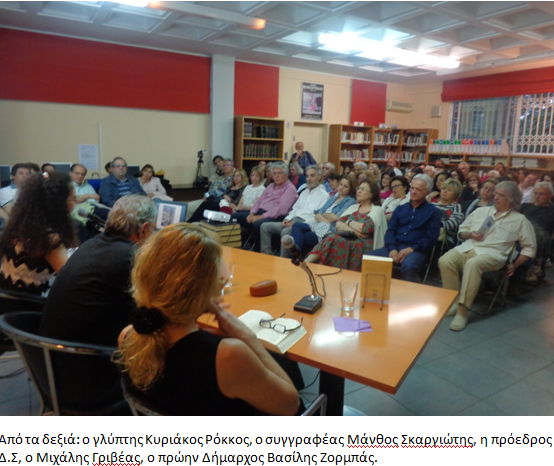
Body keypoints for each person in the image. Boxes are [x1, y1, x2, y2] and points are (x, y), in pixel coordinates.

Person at [115, 224, 300, 416]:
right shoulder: (228, 355)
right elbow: (291, 405)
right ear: (204, 286)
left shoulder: (128, 336)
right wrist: (248, 338)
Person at [39, 195, 157, 409]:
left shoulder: (92, 245)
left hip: (52, 370)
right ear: (144, 229)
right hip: (89, 381)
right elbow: (156, 313)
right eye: (153, 231)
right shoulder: (129, 258)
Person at [439, 181, 536, 332]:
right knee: (445, 260)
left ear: (512, 199)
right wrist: (470, 234)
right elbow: (461, 231)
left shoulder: (520, 220)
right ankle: (453, 301)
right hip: (469, 247)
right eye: (496, 194)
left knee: (473, 264)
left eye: (501, 195)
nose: (496, 197)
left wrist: (515, 264)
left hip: (494, 254)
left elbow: (530, 247)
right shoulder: (481, 212)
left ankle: (462, 312)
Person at [0, 172, 77, 295]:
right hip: (30, 303)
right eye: (73, 199)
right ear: (59, 204)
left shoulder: (17, 227)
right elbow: (71, 279)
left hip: (6, 300)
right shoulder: (49, 239)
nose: (75, 203)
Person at [367, 175, 441, 283]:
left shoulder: (433, 212)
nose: (414, 192)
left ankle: (409, 293)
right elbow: (390, 231)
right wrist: (392, 248)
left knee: (409, 266)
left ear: (427, 192)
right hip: (395, 246)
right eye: (412, 188)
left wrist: (412, 249)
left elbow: (431, 238)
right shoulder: (400, 208)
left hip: (417, 250)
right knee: (368, 258)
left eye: (418, 189)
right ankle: (375, 289)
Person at [305, 178, 386, 272]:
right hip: (350, 238)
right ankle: (309, 266)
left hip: (363, 244)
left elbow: (366, 228)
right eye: (358, 188)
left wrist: (348, 222)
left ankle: (307, 265)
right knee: (333, 239)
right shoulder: (353, 208)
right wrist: (356, 231)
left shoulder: (377, 210)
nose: (359, 191)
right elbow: (338, 224)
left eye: (363, 189)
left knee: (333, 239)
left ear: (372, 194)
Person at [260, 166, 329, 256]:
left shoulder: (324, 195)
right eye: (307, 176)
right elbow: (294, 209)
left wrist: (295, 224)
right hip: (293, 220)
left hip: (305, 224)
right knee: (264, 226)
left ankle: (284, 261)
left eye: (312, 176)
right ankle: (266, 256)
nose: (309, 179)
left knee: (285, 232)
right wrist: (287, 219)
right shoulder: (304, 193)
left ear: (319, 177)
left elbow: (317, 218)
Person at [231, 162, 298, 252]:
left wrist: (261, 216)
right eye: (274, 173)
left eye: (279, 173)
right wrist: (252, 213)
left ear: (286, 175)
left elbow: (281, 210)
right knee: (234, 217)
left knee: (257, 223)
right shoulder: (270, 186)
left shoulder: (290, 189)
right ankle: (240, 246)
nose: (276, 176)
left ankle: (257, 251)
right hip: (260, 212)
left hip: (276, 216)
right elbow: (259, 201)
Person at [290, 175, 356, 255]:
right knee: (296, 226)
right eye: (340, 184)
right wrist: (327, 218)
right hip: (318, 225)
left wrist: (324, 215)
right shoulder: (333, 198)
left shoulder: (350, 201)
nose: (341, 188)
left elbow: (335, 217)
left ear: (350, 189)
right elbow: (317, 214)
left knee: (302, 237)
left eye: (345, 186)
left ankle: (293, 257)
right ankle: (294, 256)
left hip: (330, 230)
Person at [520, 182, 554, 280]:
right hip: (523, 229)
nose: (537, 196)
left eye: (541, 194)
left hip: (541, 233)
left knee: (537, 235)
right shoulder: (525, 206)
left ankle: (534, 267)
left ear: (550, 195)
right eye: (535, 193)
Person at [434, 178, 464, 248]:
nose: (445, 191)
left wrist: (436, 225)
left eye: (449, 190)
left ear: (455, 195)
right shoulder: (432, 205)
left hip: (445, 239)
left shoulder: (456, 207)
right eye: (443, 188)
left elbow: (454, 222)